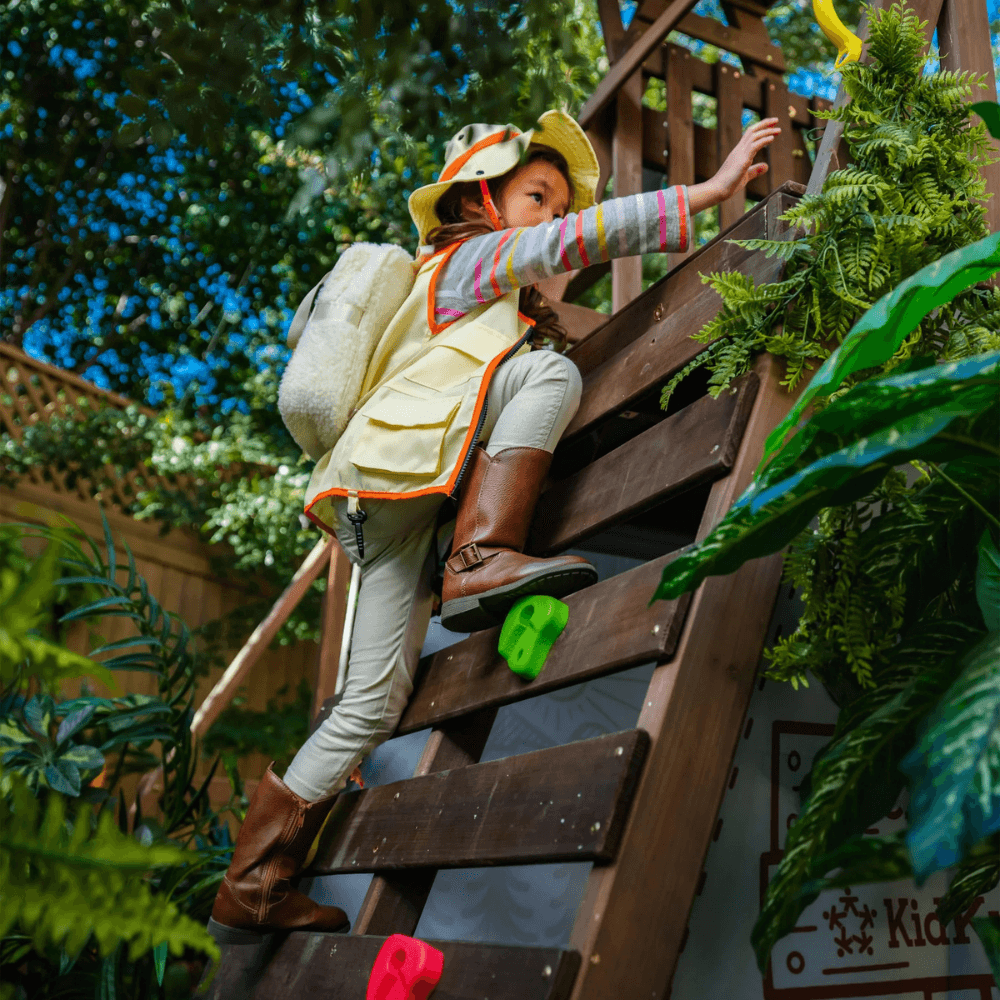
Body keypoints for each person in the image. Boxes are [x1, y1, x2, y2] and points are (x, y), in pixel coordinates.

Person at [208, 109, 780, 943]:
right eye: (535, 195)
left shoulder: (475, 303)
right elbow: (567, 245)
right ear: (480, 198)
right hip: (400, 475)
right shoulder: (466, 259)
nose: (550, 215)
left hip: (385, 501)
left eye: (557, 203)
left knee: (369, 705)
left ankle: (252, 883)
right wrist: (709, 191)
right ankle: (480, 555)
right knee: (548, 374)